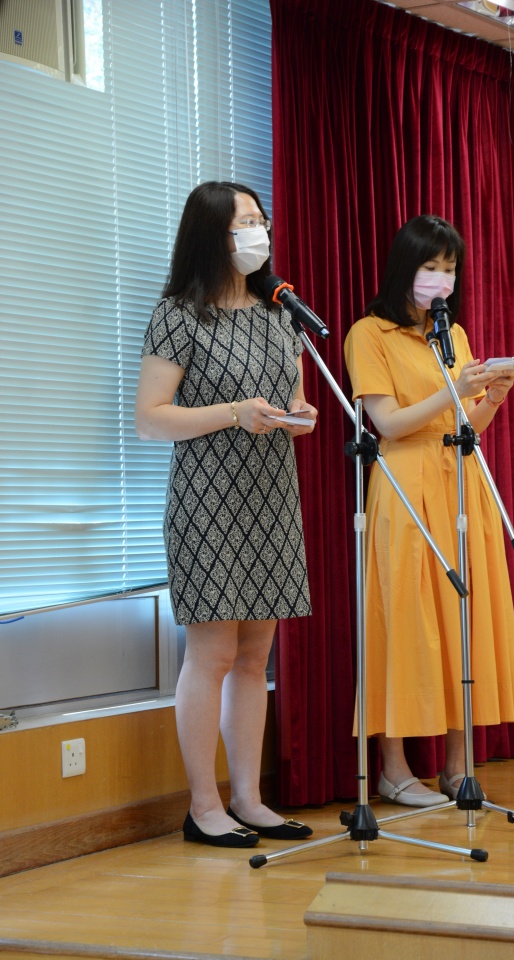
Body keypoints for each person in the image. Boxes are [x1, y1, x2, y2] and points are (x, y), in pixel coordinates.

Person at [135, 181, 317, 847]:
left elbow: (293, 400)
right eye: (244, 222)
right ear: (211, 233)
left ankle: (249, 799)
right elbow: (151, 418)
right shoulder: (179, 315)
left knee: (255, 655)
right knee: (212, 652)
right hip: (207, 500)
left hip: (272, 497)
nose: (257, 232)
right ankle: (203, 806)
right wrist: (234, 414)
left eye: (261, 220)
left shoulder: (280, 313)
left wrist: (301, 417)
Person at [344, 214, 514, 807]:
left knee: (460, 620)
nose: (442, 279)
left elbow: (465, 424)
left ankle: (456, 767)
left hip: (458, 480)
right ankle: (394, 769)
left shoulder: (453, 334)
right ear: (405, 267)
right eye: (431, 266)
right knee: (405, 618)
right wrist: (454, 390)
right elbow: (388, 423)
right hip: (404, 484)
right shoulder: (368, 333)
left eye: (450, 268)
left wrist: (491, 396)